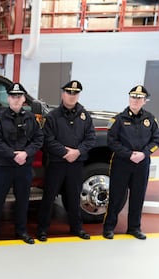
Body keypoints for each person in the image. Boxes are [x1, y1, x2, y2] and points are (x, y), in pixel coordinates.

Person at [36, 80, 95, 241]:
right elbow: (47, 139)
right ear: (63, 94)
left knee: (74, 197)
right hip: (56, 164)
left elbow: (90, 138)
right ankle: (42, 230)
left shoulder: (85, 116)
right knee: (49, 197)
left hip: (76, 163)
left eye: (75, 93)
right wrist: (64, 152)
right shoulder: (52, 116)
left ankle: (77, 228)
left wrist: (78, 152)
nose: (72, 96)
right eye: (69, 93)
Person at [0, 82, 43, 246]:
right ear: (8, 98)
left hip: (24, 166)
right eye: (13, 96)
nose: (16, 99)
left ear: (24, 98)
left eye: (19, 96)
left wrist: (26, 153)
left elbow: (38, 139)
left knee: (23, 200)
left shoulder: (31, 118)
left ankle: (21, 231)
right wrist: (13, 155)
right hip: (4, 166)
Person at [103, 85, 159, 240]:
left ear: (145, 101)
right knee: (116, 196)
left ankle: (134, 228)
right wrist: (129, 154)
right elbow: (112, 142)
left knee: (138, 196)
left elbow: (156, 141)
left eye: (139, 98)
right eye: (133, 97)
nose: (135, 100)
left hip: (142, 164)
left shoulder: (150, 119)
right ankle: (109, 228)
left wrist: (144, 154)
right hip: (122, 163)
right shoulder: (118, 119)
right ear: (129, 98)